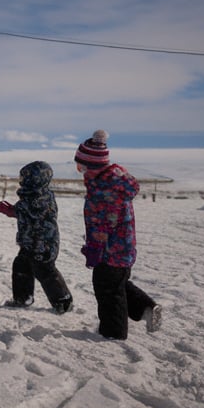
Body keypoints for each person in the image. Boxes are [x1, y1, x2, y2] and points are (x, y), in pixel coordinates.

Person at [75, 129, 162, 339]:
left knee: (107, 288)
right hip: (121, 247)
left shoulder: (105, 186)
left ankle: (113, 332)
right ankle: (146, 308)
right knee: (116, 283)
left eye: (82, 166)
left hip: (110, 249)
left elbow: (107, 218)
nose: (79, 170)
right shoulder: (109, 181)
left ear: (93, 166)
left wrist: (96, 242)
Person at [0, 161, 73, 313]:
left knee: (45, 271)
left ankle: (63, 301)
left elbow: (33, 211)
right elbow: (28, 213)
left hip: (43, 244)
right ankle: (23, 297)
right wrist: (13, 210)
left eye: (24, 178)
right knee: (21, 265)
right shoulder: (34, 195)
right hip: (30, 242)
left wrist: (13, 211)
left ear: (35, 179)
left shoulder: (39, 197)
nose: (21, 181)